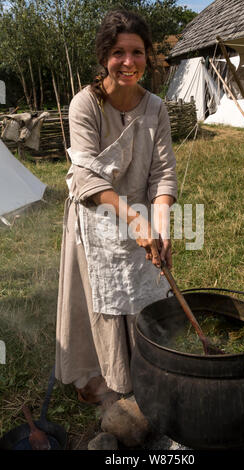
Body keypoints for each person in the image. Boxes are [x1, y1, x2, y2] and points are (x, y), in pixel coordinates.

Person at [55, 9, 177, 407]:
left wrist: (160, 228)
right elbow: (88, 179)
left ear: (147, 56)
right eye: (119, 53)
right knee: (101, 304)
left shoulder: (156, 108)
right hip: (96, 218)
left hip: (140, 215)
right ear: (104, 56)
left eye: (137, 52)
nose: (129, 62)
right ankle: (102, 378)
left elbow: (162, 174)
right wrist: (133, 219)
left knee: (144, 297)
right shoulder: (85, 105)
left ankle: (144, 372)